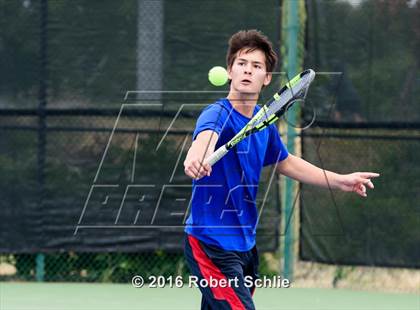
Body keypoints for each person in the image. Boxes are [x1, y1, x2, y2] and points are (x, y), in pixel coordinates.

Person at [183, 29, 379, 310]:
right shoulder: (217, 113)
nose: (247, 70)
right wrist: (195, 158)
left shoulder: (264, 125)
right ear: (229, 71)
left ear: (266, 79)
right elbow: (204, 141)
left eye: (256, 66)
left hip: (245, 245)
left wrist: (339, 181)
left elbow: (286, 162)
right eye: (241, 63)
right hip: (210, 243)